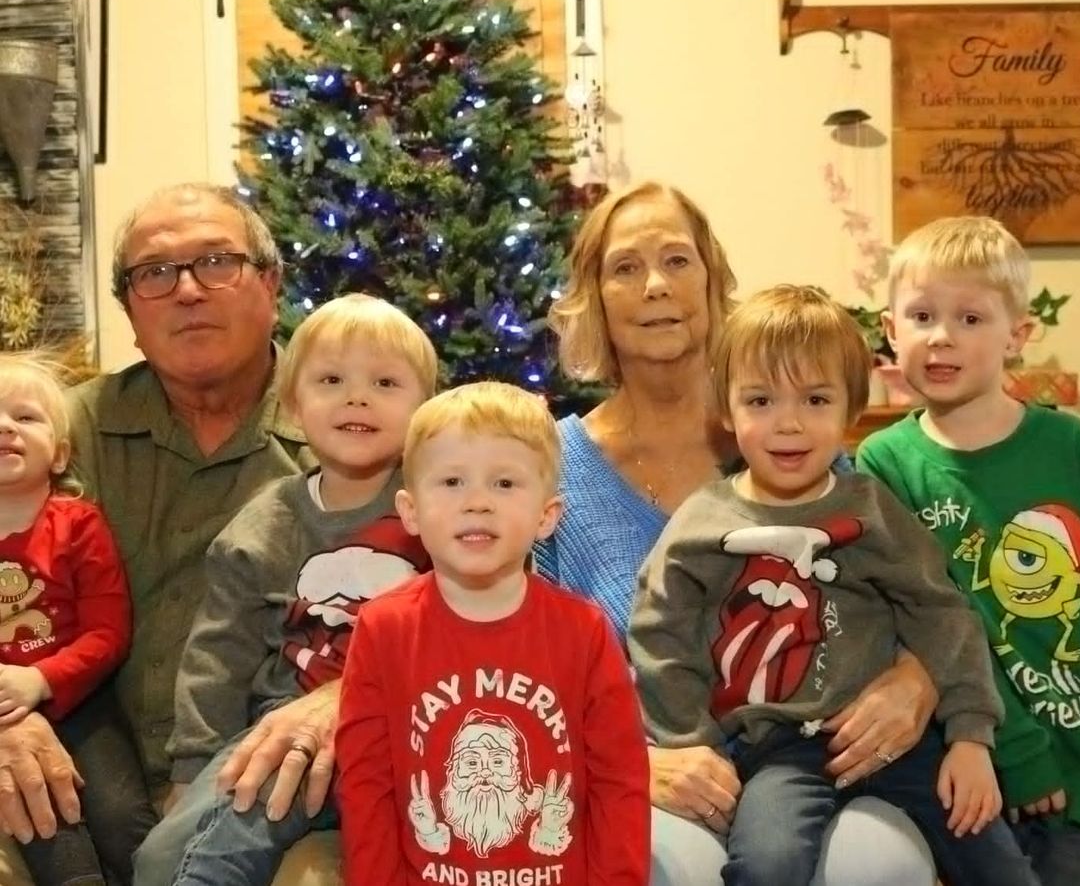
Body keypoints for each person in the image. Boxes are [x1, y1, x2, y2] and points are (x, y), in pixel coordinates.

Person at [535, 181, 939, 884]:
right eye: (626, 267)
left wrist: (916, 681)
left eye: (677, 260)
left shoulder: (792, 440)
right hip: (650, 780)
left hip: (817, 765)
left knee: (883, 868)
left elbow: (908, 595)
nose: (655, 285)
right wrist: (633, 761)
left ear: (712, 281)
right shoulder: (552, 471)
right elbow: (514, 667)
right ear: (595, 298)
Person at [629, 284, 1038, 886]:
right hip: (780, 753)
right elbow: (659, 630)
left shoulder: (871, 508)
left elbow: (941, 612)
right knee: (767, 865)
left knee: (998, 861)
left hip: (901, 744)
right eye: (761, 400)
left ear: (851, 411)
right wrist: (692, 742)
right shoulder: (703, 524)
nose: (788, 424)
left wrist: (970, 737)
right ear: (727, 410)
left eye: (816, 399)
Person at [0, 183, 341, 886]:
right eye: (154, 273)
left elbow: (459, 603)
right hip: (76, 775)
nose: (186, 290)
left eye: (216, 261)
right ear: (130, 312)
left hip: (278, 793)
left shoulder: (355, 427)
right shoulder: (61, 430)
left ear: (270, 284)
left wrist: (347, 694)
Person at [856, 215, 1080, 886]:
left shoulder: (1074, 449)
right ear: (891, 331)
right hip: (970, 765)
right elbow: (920, 623)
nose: (942, 336)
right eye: (922, 316)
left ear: (1018, 335)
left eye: (970, 318)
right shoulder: (884, 463)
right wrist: (1011, 746)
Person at [139, 293, 436, 885]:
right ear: (293, 406)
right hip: (283, 730)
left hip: (415, 727)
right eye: (331, 380)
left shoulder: (440, 505)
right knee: (163, 856)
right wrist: (191, 772)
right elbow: (218, 656)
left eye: (385, 382)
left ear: (425, 409)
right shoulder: (265, 525)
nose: (357, 398)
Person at [337, 381, 650, 884]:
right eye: (451, 481)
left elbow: (621, 785)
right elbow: (365, 788)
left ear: (547, 516)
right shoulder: (382, 630)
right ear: (410, 511)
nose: (477, 502)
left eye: (504, 483)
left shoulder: (585, 632)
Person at [0, 352, 156, 886]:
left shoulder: (78, 525)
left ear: (60, 454)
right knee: (48, 827)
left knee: (123, 822)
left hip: (83, 703)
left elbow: (108, 632)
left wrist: (41, 679)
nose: (5, 427)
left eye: (25, 417)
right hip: (5, 720)